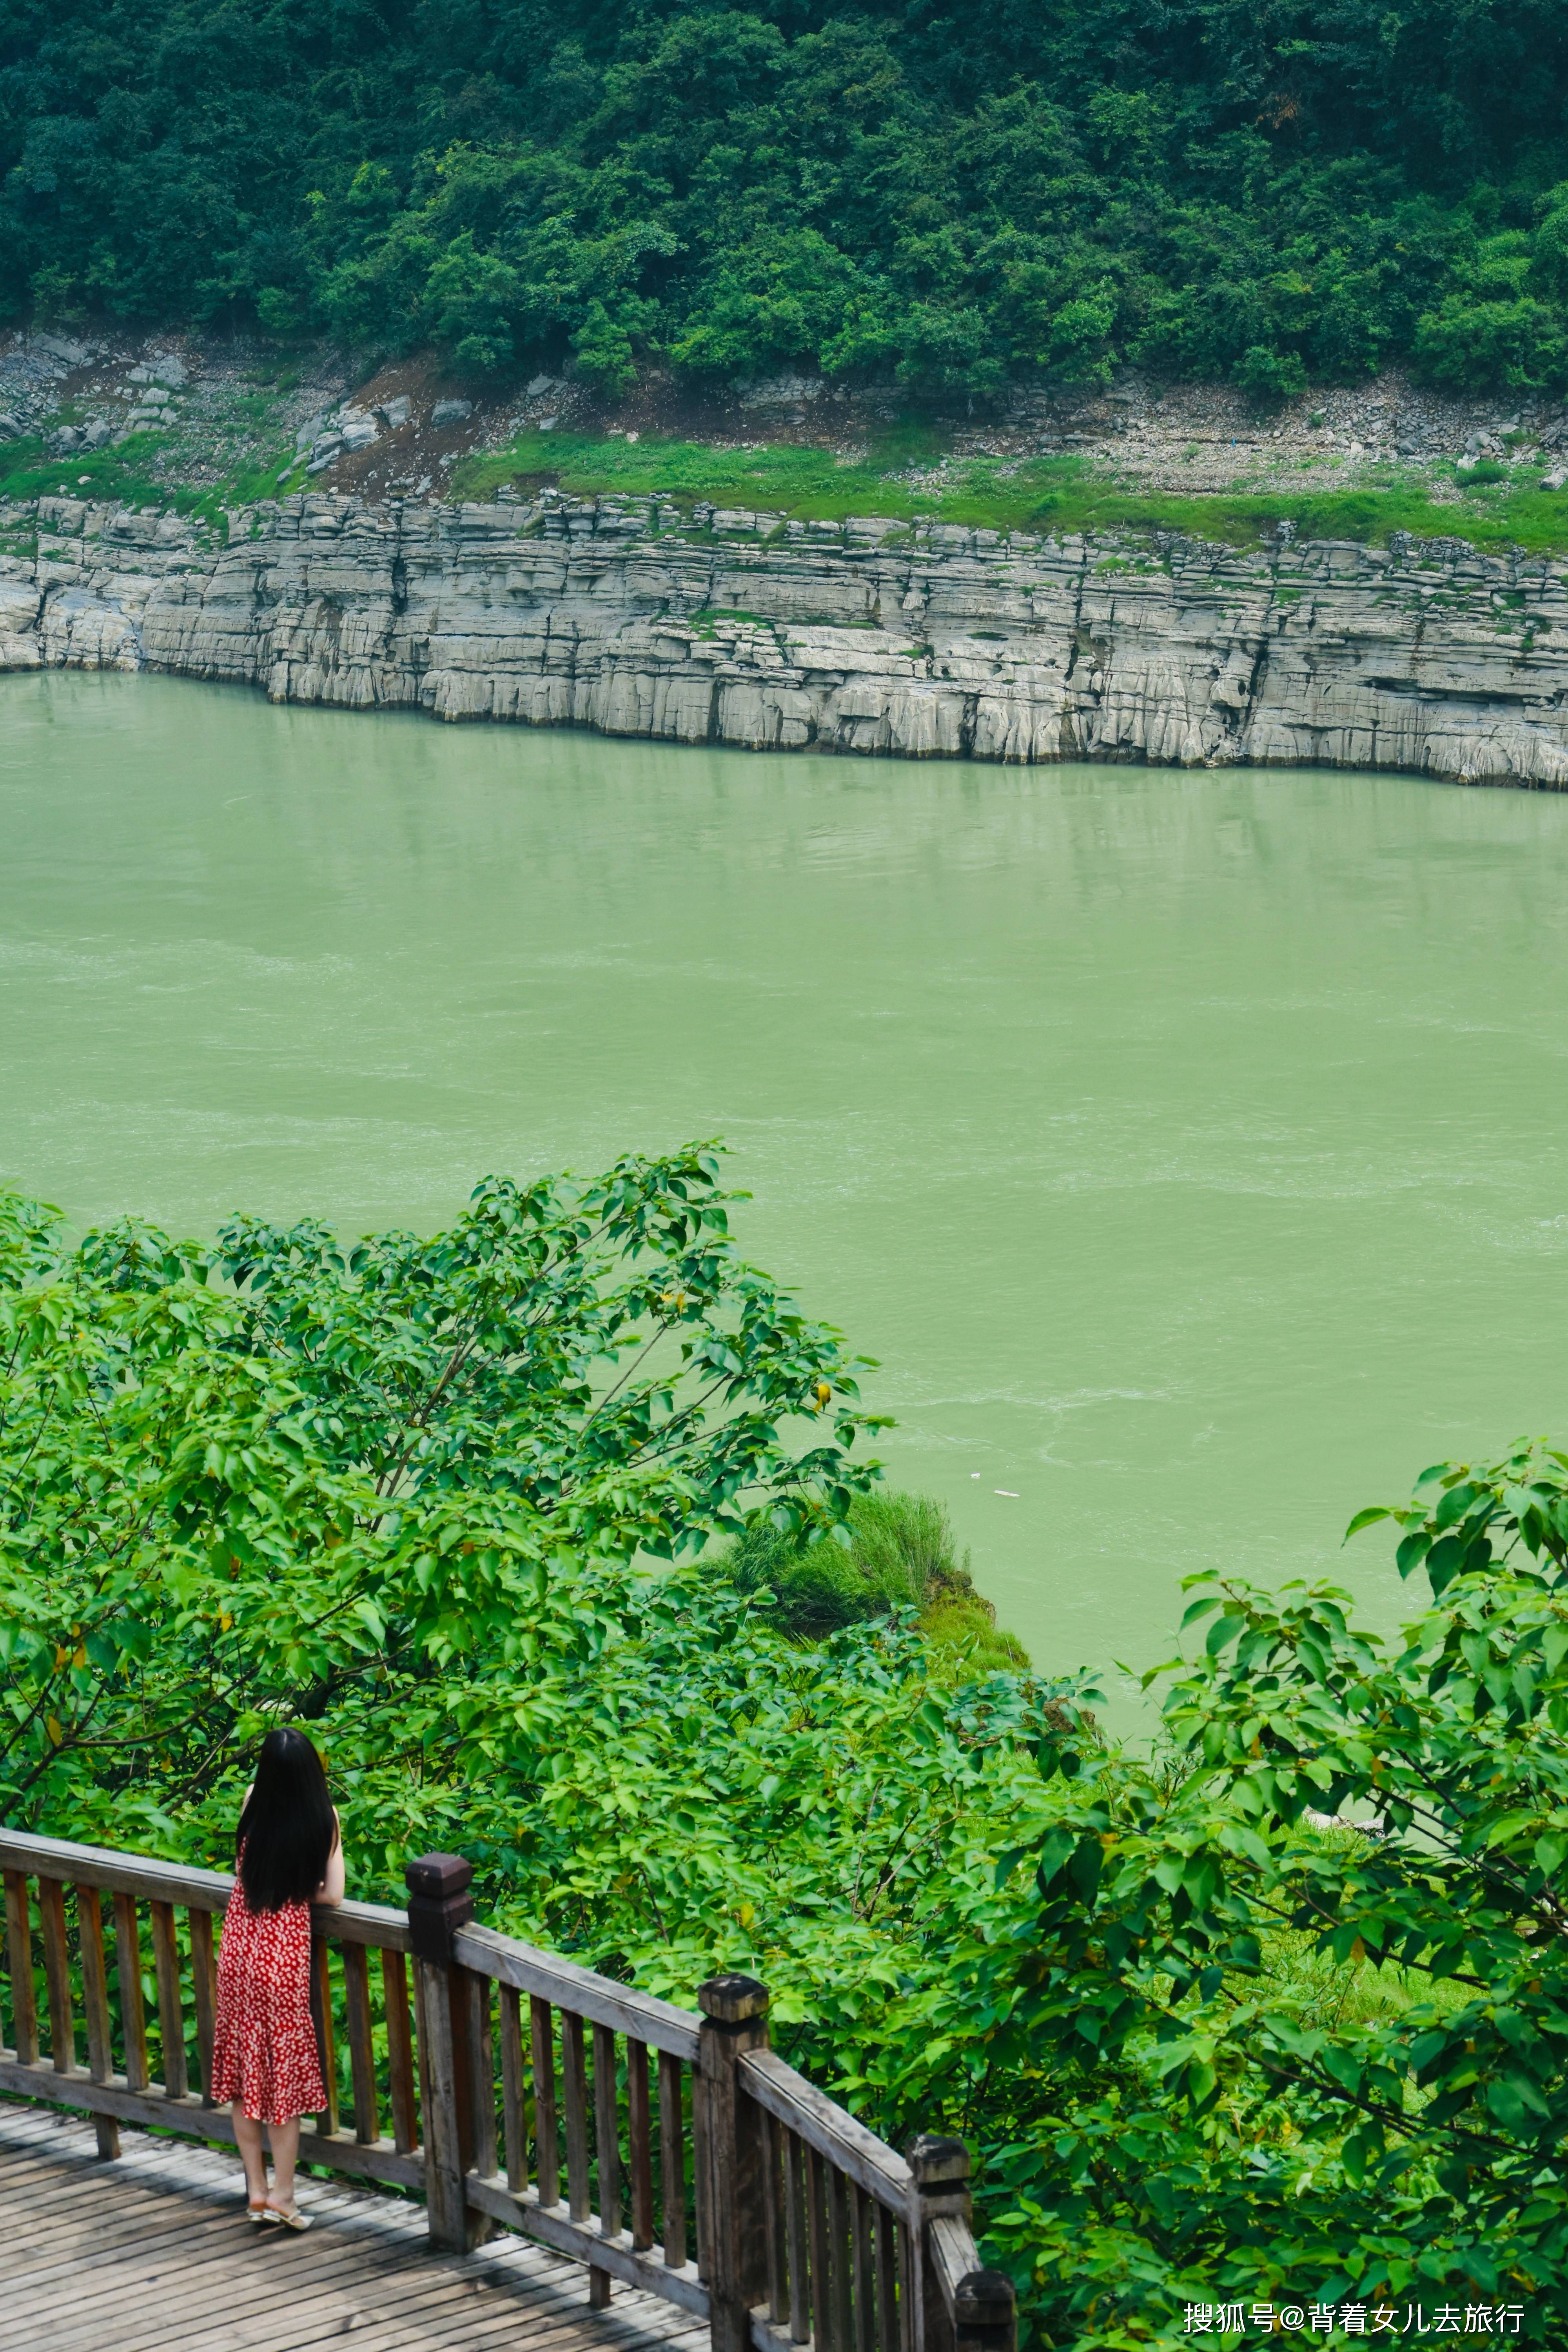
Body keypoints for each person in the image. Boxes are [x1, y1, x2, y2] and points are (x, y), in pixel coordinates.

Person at [210, 1727, 346, 2228]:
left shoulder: (251, 1801)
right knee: (282, 2080)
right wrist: (298, 1891)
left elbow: (245, 1871)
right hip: (283, 1958)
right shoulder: (324, 1819)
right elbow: (333, 1895)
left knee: (248, 2076)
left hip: (240, 1951)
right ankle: (285, 2196)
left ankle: (257, 2192)